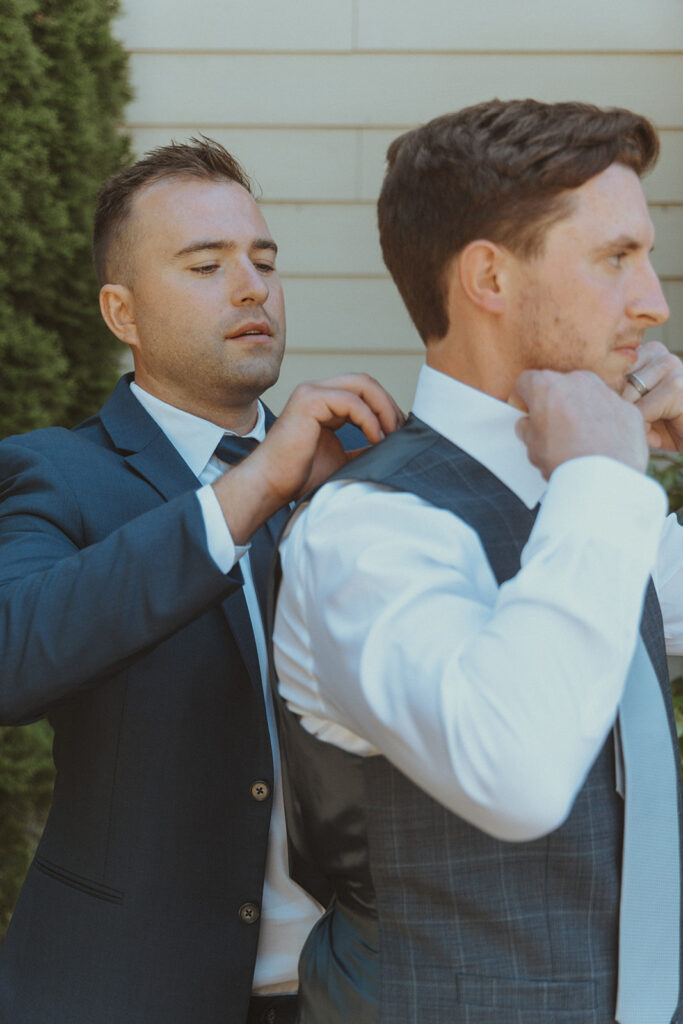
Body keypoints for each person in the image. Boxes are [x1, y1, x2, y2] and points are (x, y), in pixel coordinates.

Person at [272, 99, 683, 1023]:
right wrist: (602, 476)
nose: (652, 299)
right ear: (489, 276)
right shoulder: (367, 530)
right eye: (615, 258)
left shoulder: (604, 510)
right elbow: (516, 772)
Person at [0, 137, 401, 1024]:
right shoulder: (51, 474)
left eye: (263, 260)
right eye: (206, 264)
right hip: (125, 990)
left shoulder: (368, 465)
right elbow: (12, 656)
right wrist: (251, 488)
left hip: (357, 993)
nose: (252, 286)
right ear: (123, 311)